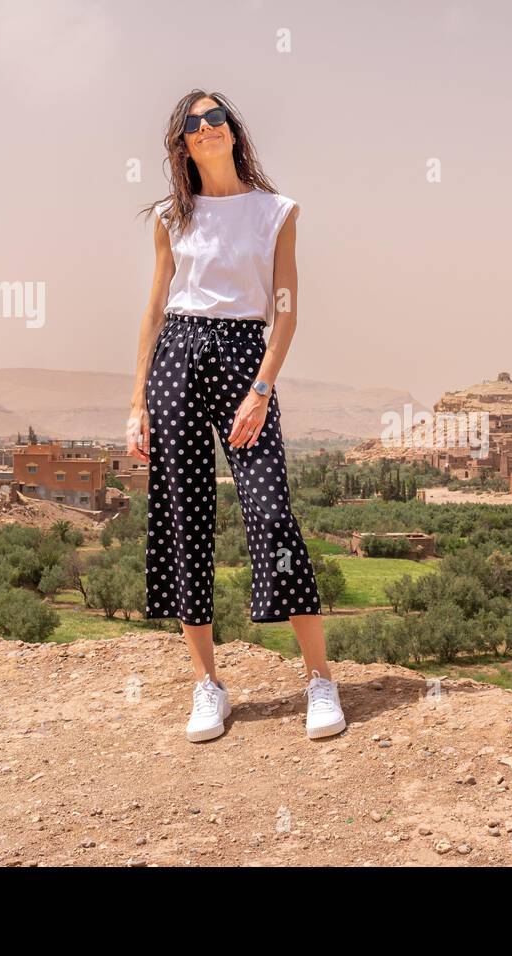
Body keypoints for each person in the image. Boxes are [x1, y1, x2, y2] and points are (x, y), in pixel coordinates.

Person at [127, 90, 346, 743]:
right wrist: (136, 401)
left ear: (232, 129)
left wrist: (261, 388)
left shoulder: (276, 212)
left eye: (216, 116)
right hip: (177, 359)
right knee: (183, 518)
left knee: (271, 509)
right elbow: (155, 308)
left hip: (245, 357)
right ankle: (207, 687)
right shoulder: (173, 217)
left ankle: (319, 679)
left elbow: (286, 310)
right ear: (183, 144)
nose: (207, 127)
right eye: (193, 122)